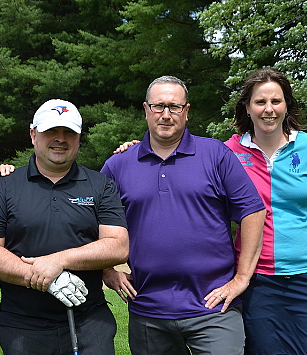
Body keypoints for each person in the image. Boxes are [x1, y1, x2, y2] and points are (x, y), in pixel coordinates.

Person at [101, 76, 267, 355]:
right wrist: (106, 271)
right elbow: (93, 220)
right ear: (145, 110)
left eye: (174, 107)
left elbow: (252, 211)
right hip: (148, 310)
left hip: (214, 308)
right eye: (158, 106)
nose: (166, 115)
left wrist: (241, 279)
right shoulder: (118, 164)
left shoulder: (215, 154)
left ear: (186, 111)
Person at [0, 99, 129, 355]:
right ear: (33, 135)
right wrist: (47, 278)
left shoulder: (101, 185)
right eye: (51, 132)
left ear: (79, 138)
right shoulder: (3, 186)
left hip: (90, 322)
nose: (60, 139)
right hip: (23, 325)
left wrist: (58, 261)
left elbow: (118, 246)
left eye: (69, 132)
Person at [224, 68, 307, 355]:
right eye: (260, 102)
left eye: (276, 101)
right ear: (247, 107)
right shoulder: (227, 152)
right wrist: (138, 147)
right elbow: (184, 158)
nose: (269, 109)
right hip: (257, 281)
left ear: (286, 104)